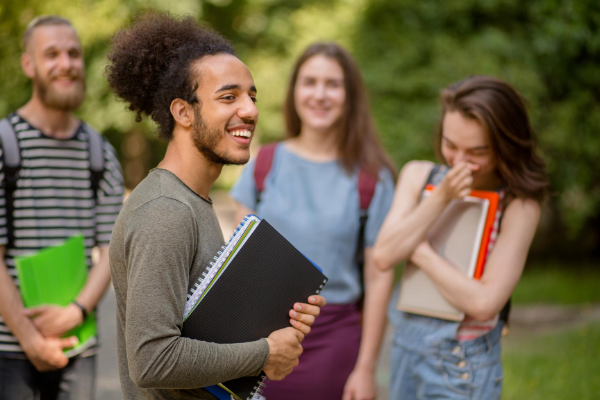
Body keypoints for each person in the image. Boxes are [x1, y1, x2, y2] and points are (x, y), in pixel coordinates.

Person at [105, 13, 326, 400]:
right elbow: (152, 360)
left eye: (252, 97)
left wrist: (279, 327)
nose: (251, 110)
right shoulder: (164, 210)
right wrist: (265, 352)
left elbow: (203, 333)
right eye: (229, 97)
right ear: (183, 112)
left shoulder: (193, 201)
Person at [230, 42, 396, 400]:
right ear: (295, 92)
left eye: (333, 84)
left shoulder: (373, 180)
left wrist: (366, 369)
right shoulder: (263, 164)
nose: (320, 94)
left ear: (350, 95)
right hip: (260, 338)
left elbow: (379, 278)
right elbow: (240, 264)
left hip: (334, 341)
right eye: (310, 82)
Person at [373, 76, 548, 400]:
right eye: (450, 145)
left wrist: (418, 249)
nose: (459, 161)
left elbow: (483, 303)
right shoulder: (418, 174)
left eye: (477, 152)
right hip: (404, 352)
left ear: (505, 145)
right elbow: (383, 255)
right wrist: (441, 197)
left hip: (462, 363)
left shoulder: (519, 204)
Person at [0, 15, 124, 399]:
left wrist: (75, 312)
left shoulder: (99, 152)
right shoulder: (5, 144)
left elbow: (111, 251)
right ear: (29, 65)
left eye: (73, 53)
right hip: (10, 348)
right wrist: (30, 338)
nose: (66, 63)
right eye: (51, 54)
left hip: (79, 344)